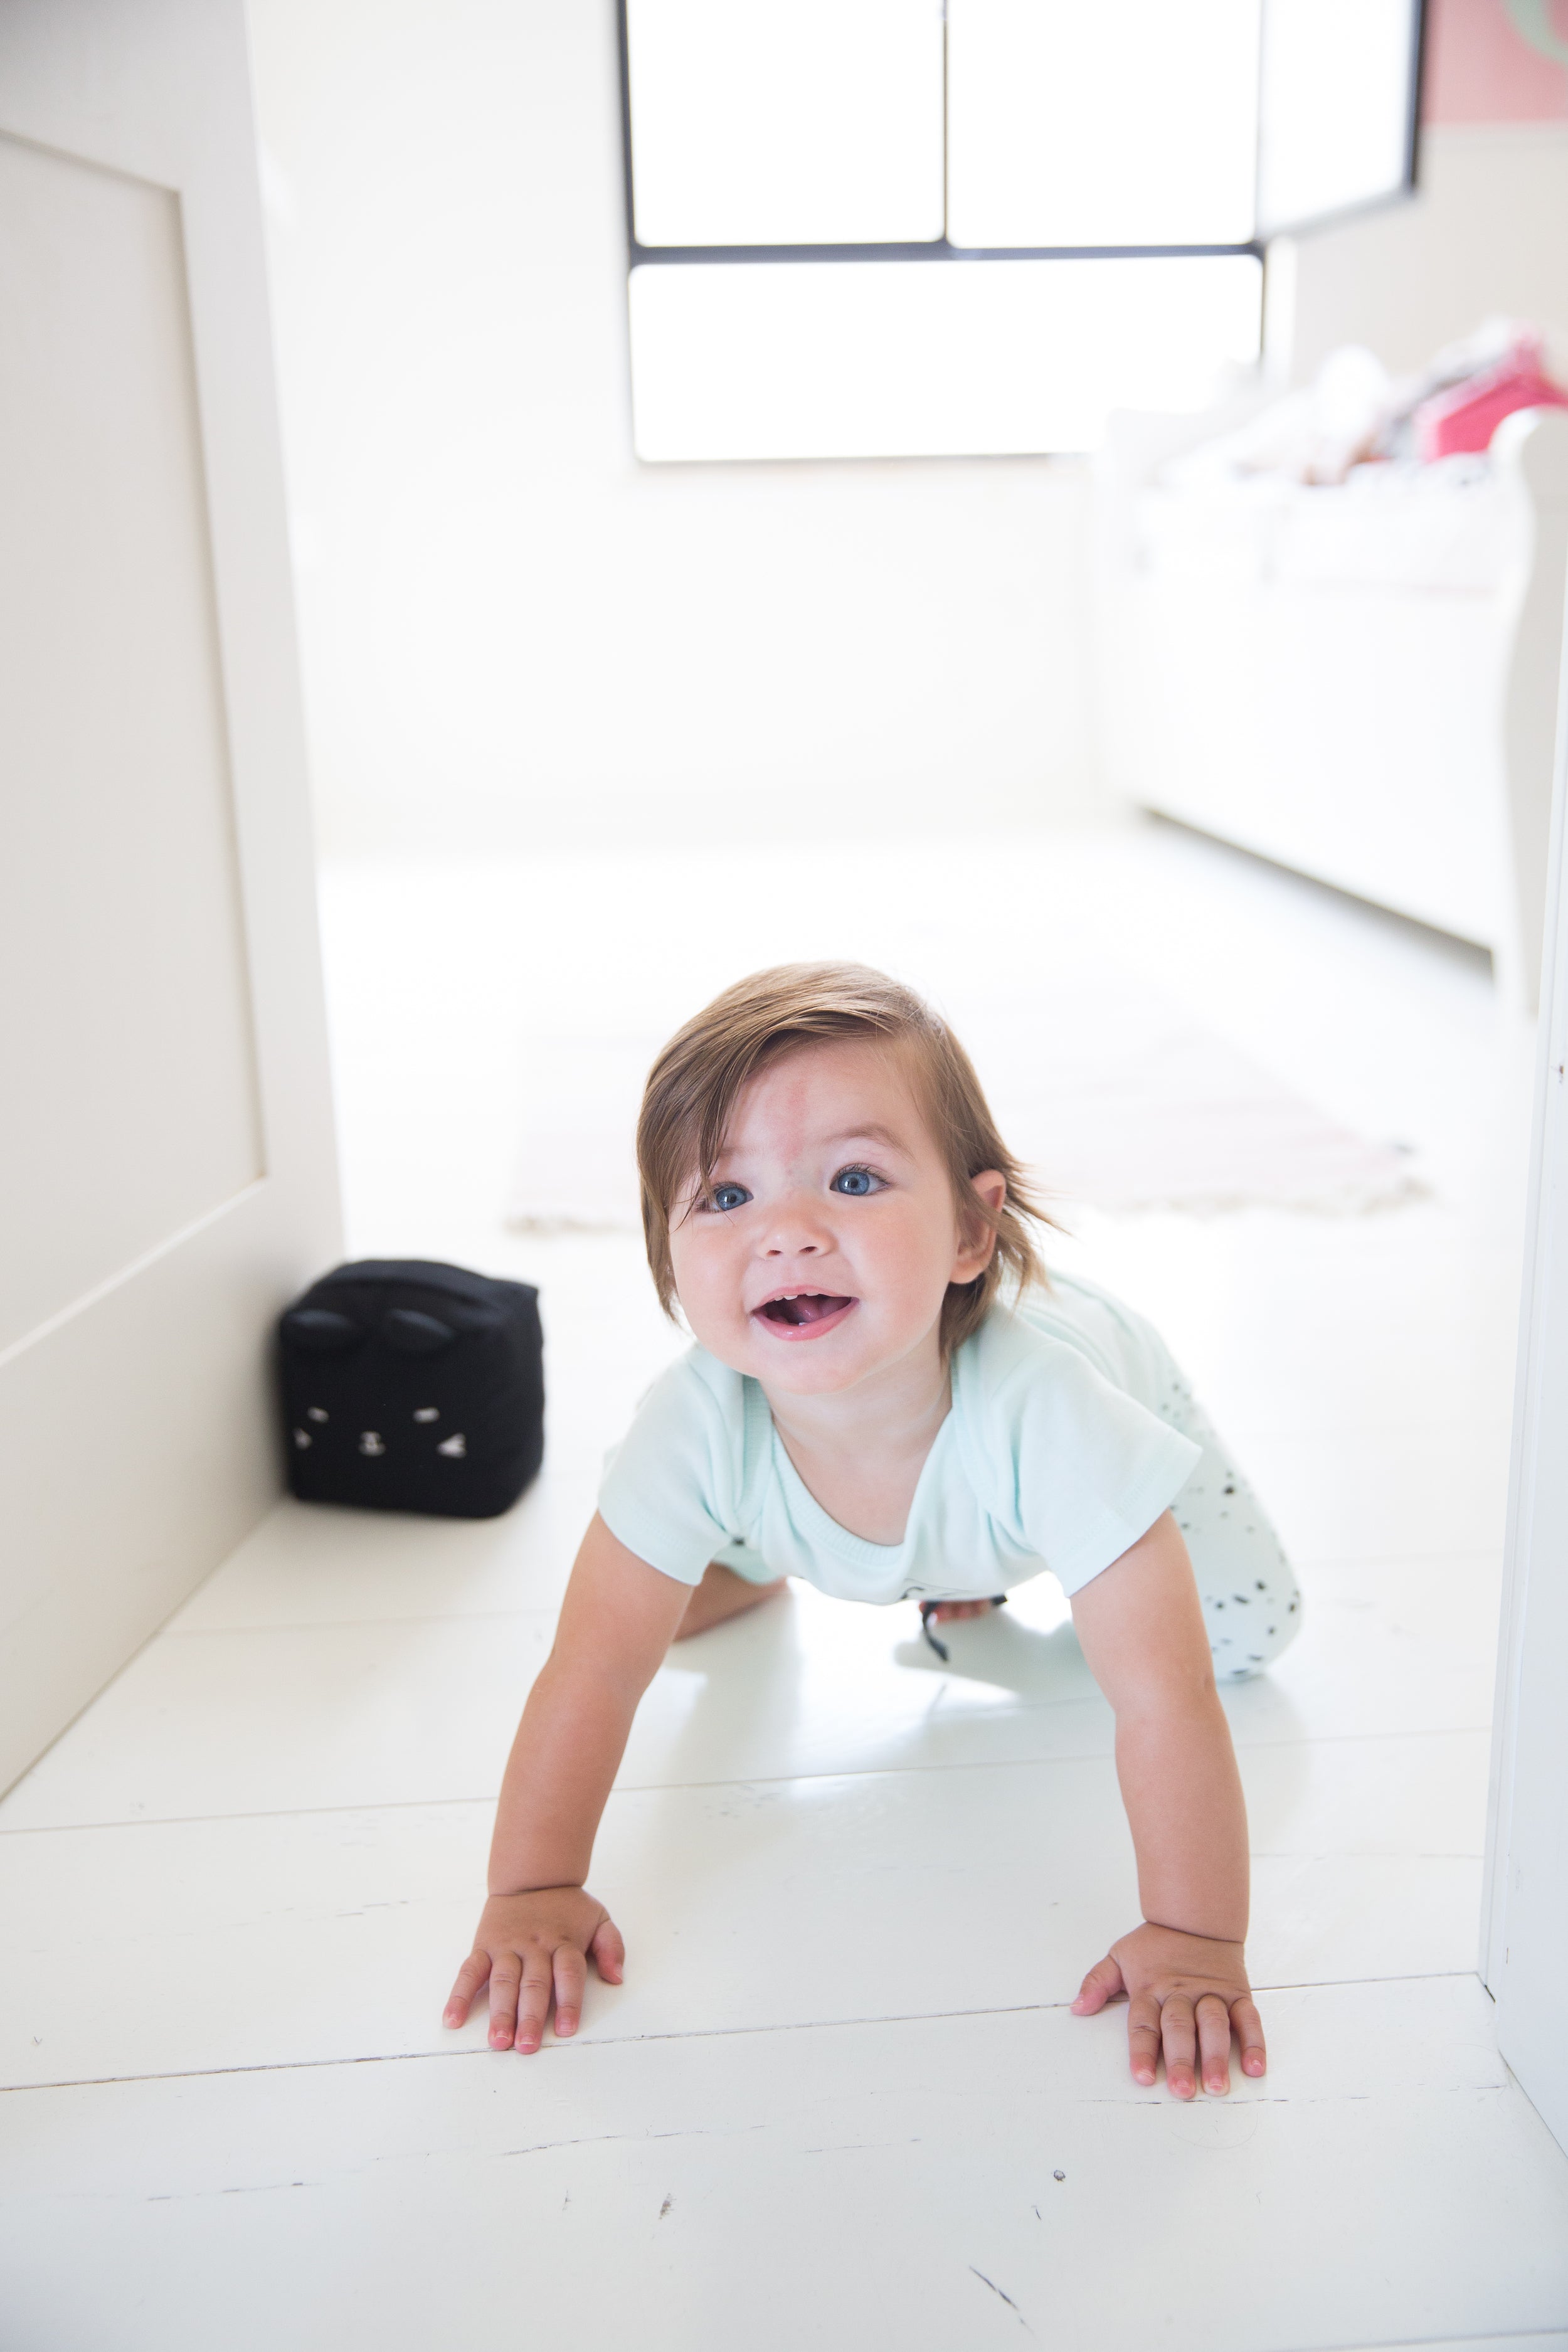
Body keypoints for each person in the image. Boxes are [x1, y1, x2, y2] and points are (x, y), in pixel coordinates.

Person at [443, 963, 1301, 2099]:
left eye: (853, 1178)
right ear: (666, 1250)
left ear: (967, 1228)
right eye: (724, 1196)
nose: (787, 1233)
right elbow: (591, 1672)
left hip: (1068, 1464)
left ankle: (985, 1575)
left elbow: (1166, 1699)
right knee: (650, 1610)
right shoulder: (695, 1421)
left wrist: (1196, 1937)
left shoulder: (1059, 1414)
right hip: (843, 1496)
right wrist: (531, 1889)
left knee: (1241, 1635)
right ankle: (777, 1563)